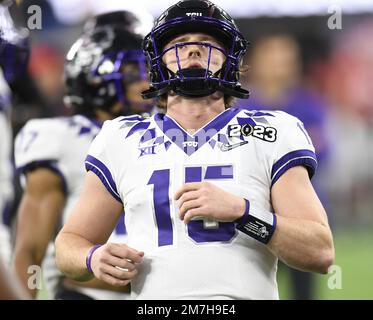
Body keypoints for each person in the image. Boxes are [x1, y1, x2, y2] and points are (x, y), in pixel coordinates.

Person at [55, 0, 335, 300]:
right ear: (158, 61)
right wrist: (92, 258)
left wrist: (243, 213)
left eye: (206, 43)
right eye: (179, 43)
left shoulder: (273, 132)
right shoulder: (120, 138)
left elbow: (319, 251)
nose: (193, 50)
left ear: (230, 59)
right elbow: (70, 243)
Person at [13, 11, 152, 299]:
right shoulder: (59, 139)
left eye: (150, 71)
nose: (146, 83)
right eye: (133, 73)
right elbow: (30, 249)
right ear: (97, 76)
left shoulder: (164, 134)